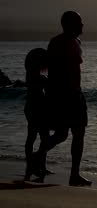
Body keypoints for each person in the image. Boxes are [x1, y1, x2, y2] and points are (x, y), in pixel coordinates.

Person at [35, 11, 91, 186]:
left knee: (63, 134)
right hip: (68, 95)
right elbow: (61, 70)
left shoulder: (69, 41)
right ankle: (73, 174)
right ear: (69, 24)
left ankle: (37, 158)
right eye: (79, 22)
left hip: (64, 94)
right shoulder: (61, 43)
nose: (82, 25)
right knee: (73, 133)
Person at [23, 48, 50, 181]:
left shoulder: (29, 76)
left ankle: (31, 166)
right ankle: (39, 166)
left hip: (30, 107)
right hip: (39, 108)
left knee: (32, 137)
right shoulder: (40, 78)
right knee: (43, 137)